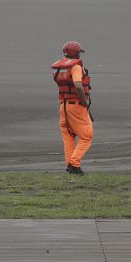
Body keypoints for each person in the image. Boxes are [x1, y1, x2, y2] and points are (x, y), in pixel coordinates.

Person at [51, 41, 93, 175]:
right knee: (86, 136)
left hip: (63, 106)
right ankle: (74, 164)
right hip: (76, 107)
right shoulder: (76, 67)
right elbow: (78, 84)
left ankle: (70, 166)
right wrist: (84, 101)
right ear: (76, 54)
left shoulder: (60, 68)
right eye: (79, 53)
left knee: (69, 137)